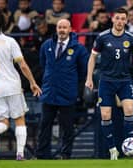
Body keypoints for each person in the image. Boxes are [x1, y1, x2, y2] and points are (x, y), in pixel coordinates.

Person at [0, 8, 42, 160]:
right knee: (19, 119)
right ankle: (19, 154)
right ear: (3, 23)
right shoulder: (10, 41)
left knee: (2, 121)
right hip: (12, 85)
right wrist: (32, 82)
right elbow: (23, 65)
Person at [85, 8, 133, 160]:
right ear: (112, 19)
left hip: (124, 80)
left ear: (126, 20)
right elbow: (92, 57)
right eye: (117, 18)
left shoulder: (132, 38)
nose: (120, 21)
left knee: (129, 109)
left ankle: (128, 145)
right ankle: (112, 149)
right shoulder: (102, 37)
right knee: (105, 114)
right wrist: (89, 78)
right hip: (106, 81)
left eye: (123, 19)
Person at [36, 19, 89, 159]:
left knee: (67, 128)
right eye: (60, 27)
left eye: (65, 27)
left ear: (70, 29)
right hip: (49, 93)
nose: (62, 30)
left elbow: (83, 71)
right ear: (56, 29)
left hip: (67, 94)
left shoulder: (79, 48)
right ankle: (42, 155)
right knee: (44, 126)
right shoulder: (46, 45)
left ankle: (65, 155)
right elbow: (43, 64)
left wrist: (74, 89)